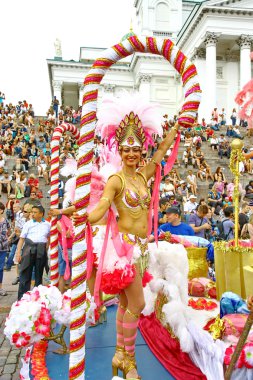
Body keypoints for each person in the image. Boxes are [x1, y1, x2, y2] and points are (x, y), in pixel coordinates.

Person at [73, 96, 179, 379]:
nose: (132, 152)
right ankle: (129, 360)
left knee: (124, 304)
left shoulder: (143, 177)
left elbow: (160, 156)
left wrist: (175, 129)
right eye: (126, 148)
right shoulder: (116, 180)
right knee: (139, 305)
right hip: (124, 252)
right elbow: (104, 205)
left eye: (136, 147)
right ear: (118, 149)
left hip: (142, 251)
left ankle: (119, 354)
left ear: (141, 148)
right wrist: (85, 217)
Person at [16, 205, 51, 300]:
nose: (32, 214)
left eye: (35, 212)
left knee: (39, 275)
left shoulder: (48, 224)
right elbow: (22, 239)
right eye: (32, 212)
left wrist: (46, 249)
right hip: (28, 249)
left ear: (41, 214)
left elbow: (49, 238)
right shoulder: (28, 224)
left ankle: (37, 298)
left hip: (41, 250)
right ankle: (22, 298)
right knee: (25, 274)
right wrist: (18, 253)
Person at [0, 202, 11, 295]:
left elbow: (9, 230)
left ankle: (0, 288)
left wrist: (8, 239)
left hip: (3, 248)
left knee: (0, 268)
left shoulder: (5, 221)